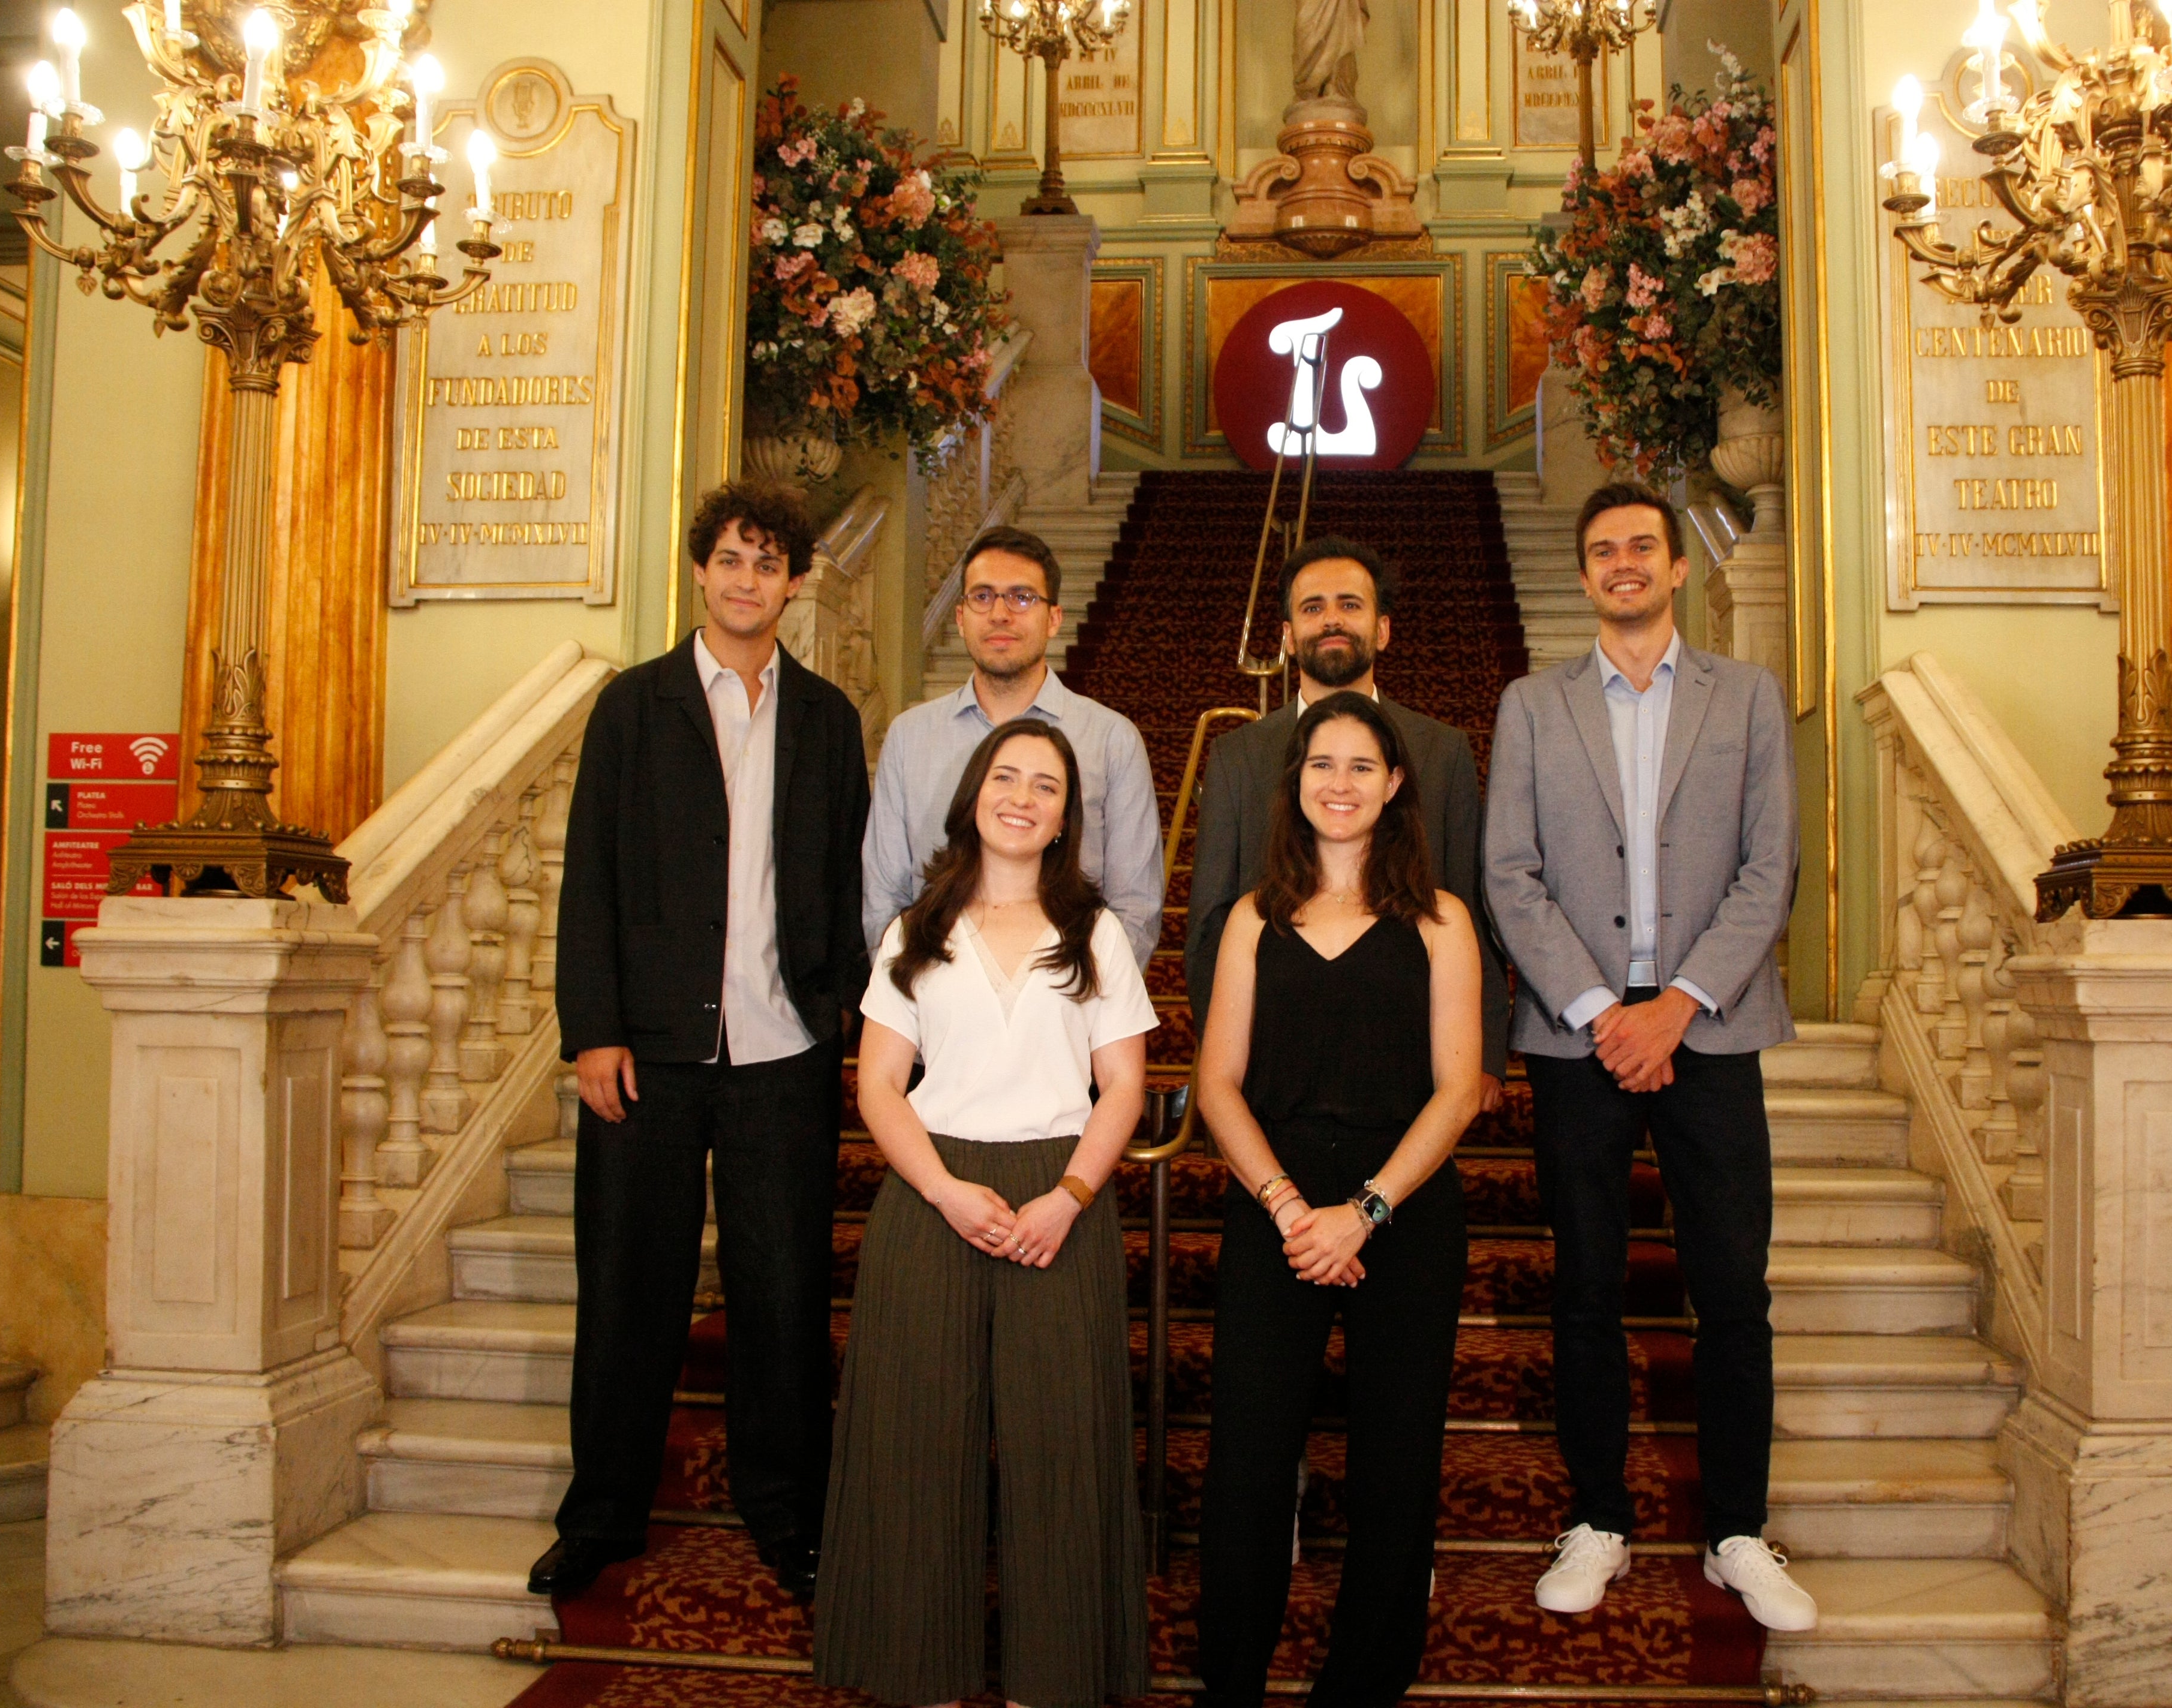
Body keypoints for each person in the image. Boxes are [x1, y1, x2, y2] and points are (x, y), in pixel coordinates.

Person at [1481, 482, 1815, 1631]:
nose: (1621, 563)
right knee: (1584, 1289)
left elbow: (1768, 868)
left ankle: (1734, 1529)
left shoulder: (1748, 697)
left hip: (1711, 1030)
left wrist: (1674, 1005)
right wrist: (1595, 1007)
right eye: (1601, 550)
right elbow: (1509, 872)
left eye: (1640, 546)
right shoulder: (1532, 703)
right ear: (1582, 577)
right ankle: (1597, 1517)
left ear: (1677, 569)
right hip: (1576, 1041)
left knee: (1731, 1286)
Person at [545, 479, 871, 1602]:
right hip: (647, 1056)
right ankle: (601, 1516)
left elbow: (842, 878)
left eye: (768, 562)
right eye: (730, 558)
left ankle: (787, 1516)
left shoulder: (827, 718)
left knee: (781, 1300)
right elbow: (589, 874)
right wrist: (590, 1029)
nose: (746, 579)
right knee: (629, 1290)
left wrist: (838, 1009)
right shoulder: (633, 707)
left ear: (793, 582)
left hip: (783, 1054)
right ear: (700, 570)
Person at [819, 718, 1155, 1708]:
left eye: (1045, 785)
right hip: (934, 1189)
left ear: (1065, 817)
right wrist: (943, 1190)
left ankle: (1053, 1680)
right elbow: (879, 1082)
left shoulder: (1094, 930)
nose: (1022, 795)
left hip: (1063, 1190)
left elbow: (1123, 1087)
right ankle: (917, 1670)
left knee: (1064, 1441)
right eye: (1005, 776)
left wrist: (1069, 1197)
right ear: (973, 794)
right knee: (917, 1438)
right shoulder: (914, 929)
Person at [1193, 691, 1484, 1708]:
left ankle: (1363, 1681)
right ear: (1297, 779)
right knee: (1246, 1457)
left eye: (1362, 765)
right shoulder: (1251, 917)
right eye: (1323, 763)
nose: (1340, 782)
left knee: (1396, 1456)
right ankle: (1227, 1677)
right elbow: (1216, 1080)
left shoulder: (1444, 921)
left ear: (1396, 783)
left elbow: (1459, 1088)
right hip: (1274, 1205)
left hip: (1399, 1208)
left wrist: (1363, 1209)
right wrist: (1284, 1206)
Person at [1187, 536, 1509, 1112]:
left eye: (1350, 605)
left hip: (1412, 1054)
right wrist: (1229, 1056)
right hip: (1271, 1062)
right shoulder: (1238, 756)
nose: (1331, 619)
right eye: (1312, 608)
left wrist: (1484, 1053)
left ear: (1382, 630)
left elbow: (1470, 905)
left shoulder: (1441, 751)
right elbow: (1210, 924)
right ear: (1287, 636)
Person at [865, 525, 1165, 963]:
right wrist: (913, 998)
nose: (1000, 614)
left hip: (1070, 1002)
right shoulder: (910, 737)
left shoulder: (1111, 740)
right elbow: (884, 897)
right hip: (933, 1004)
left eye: (1022, 597)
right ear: (960, 617)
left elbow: (1135, 905)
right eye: (982, 596)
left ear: (1054, 619)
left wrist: (1084, 1005)